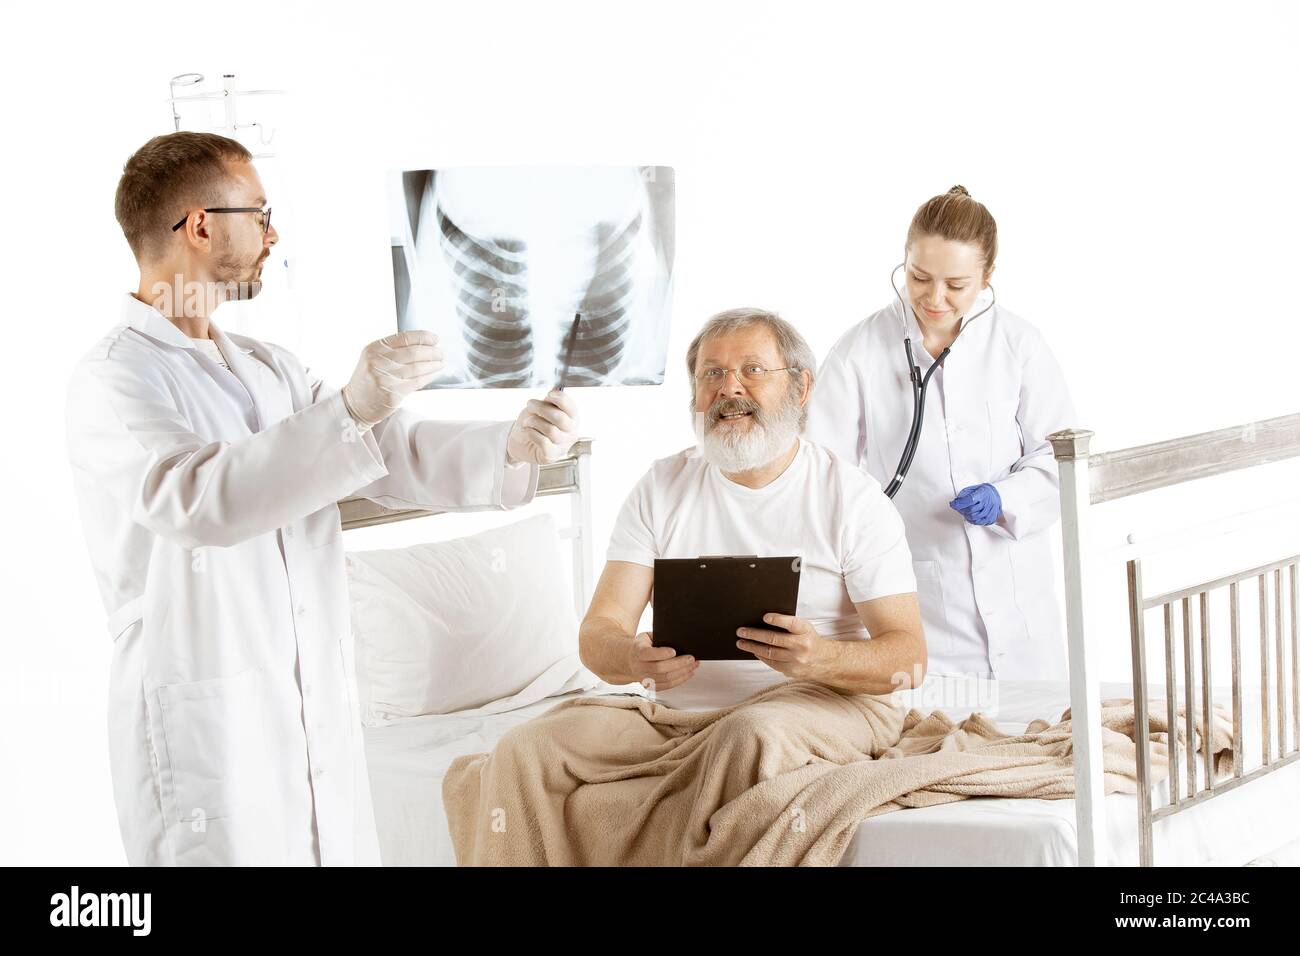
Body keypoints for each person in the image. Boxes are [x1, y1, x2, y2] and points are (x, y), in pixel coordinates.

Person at [65, 132, 581, 866]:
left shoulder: (268, 367)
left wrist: (509, 446)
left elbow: (379, 452)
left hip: (310, 711)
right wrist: (349, 409)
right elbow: (199, 499)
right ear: (202, 224)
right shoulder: (116, 378)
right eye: (260, 213)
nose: (275, 234)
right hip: (209, 721)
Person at [579, 308, 923, 710]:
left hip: (815, 710)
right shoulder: (660, 487)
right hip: (676, 722)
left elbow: (910, 659)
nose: (729, 389)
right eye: (712, 373)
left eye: (753, 370)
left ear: (801, 388)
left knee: (751, 734)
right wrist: (631, 659)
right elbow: (598, 632)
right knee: (538, 743)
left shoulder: (853, 498)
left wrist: (821, 659)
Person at [804, 186, 1077, 681]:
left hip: (1020, 605)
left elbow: (1064, 460)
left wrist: (1006, 498)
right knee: (937, 740)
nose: (934, 298)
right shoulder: (859, 351)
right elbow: (822, 472)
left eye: (957, 284)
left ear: (988, 276)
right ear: (902, 263)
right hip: (919, 597)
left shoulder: (1019, 345)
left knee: (1041, 739)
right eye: (919, 277)